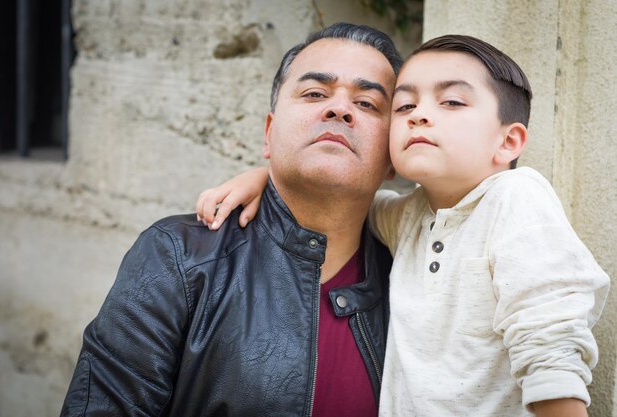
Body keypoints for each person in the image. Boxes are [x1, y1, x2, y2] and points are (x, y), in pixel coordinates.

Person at [195, 35, 610, 417]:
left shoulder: (516, 198)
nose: (420, 116)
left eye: (451, 102)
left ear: (508, 142)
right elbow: (337, 191)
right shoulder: (407, 218)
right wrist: (267, 174)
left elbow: (551, 347)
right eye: (405, 106)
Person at [60, 23, 403, 417]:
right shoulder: (178, 257)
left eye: (367, 104)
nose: (339, 108)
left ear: (393, 157)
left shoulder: (411, 274)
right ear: (269, 134)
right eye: (314, 93)